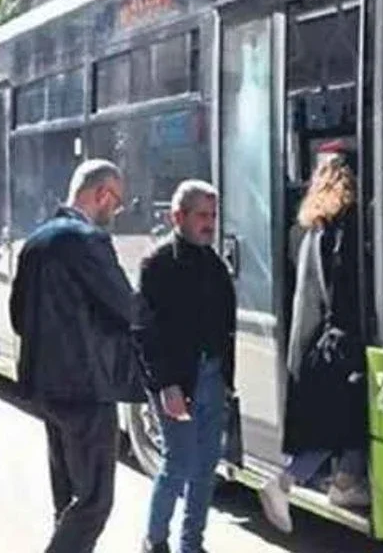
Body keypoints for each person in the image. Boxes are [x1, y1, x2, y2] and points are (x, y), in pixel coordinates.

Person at [9, 159, 146, 553]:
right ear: (102, 193)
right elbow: (125, 306)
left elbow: (19, 315)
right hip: (86, 386)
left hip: (44, 385)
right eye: (116, 202)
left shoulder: (36, 240)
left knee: (67, 493)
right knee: (93, 500)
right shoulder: (88, 240)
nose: (116, 212)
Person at [260, 153, 369, 534]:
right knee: (347, 416)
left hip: (318, 342)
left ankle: (339, 481)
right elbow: (347, 289)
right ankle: (292, 483)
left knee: (337, 419)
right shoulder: (348, 224)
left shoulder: (312, 226)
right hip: (339, 341)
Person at [135, 180, 237, 553]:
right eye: (201, 216)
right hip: (179, 380)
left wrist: (226, 379)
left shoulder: (214, 265)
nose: (209, 223)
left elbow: (224, 328)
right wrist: (166, 386)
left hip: (211, 377)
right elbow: (146, 332)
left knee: (206, 467)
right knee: (178, 463)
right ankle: (155, 540)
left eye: (213, 215)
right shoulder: (158, 264)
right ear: (177, 217)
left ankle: (191, 544)